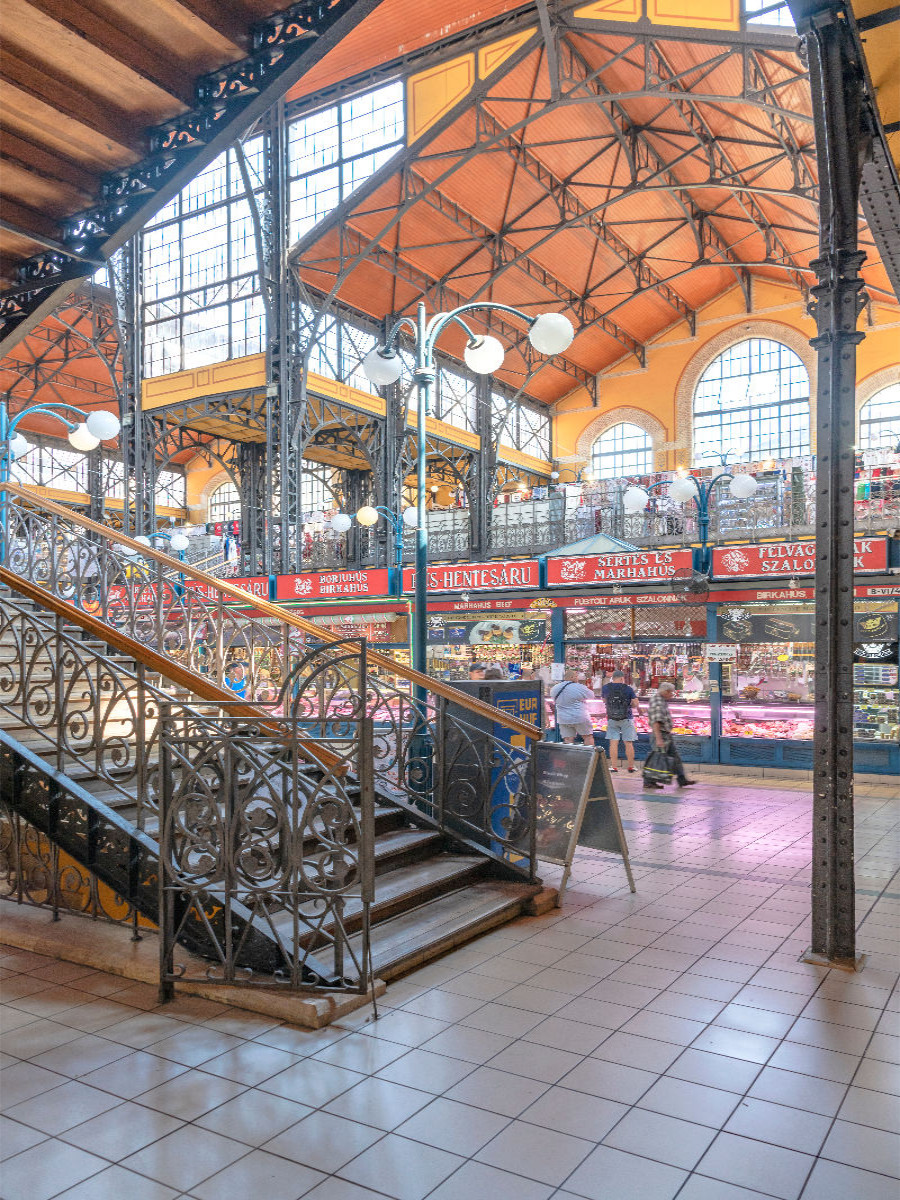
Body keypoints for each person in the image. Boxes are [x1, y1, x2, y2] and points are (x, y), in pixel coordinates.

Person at [645, 680, 696, 789]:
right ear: (666, 691)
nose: (672, 695)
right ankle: (648, 781)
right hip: (660, 735)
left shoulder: (661, 700)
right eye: (671, 693)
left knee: (675, 757)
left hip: (665, 735)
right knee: (657, 757)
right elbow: (656, 722)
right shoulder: (657, 701)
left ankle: (682, 779)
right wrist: (659, 739)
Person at [601, 670, 638, 773]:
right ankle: (631, 766)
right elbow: (636, 703)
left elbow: (604, 701)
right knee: (628, 743)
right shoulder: (628, 688)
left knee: (613, 743)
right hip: (627, 717)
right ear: (622, 678)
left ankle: (614, 766)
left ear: (613, 677)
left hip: (612, 718)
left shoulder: (606, 688)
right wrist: (630, 705)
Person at [551, 670, 596, 744]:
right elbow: (592, 696)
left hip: (563, 718)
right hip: (579, 717)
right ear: (572, 677)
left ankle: (568, 755)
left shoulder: (555, 688)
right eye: (576, 676)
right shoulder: (579, 687)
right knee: (587, 737)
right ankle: (590, 755)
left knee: (568, 739)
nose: (577, 678)